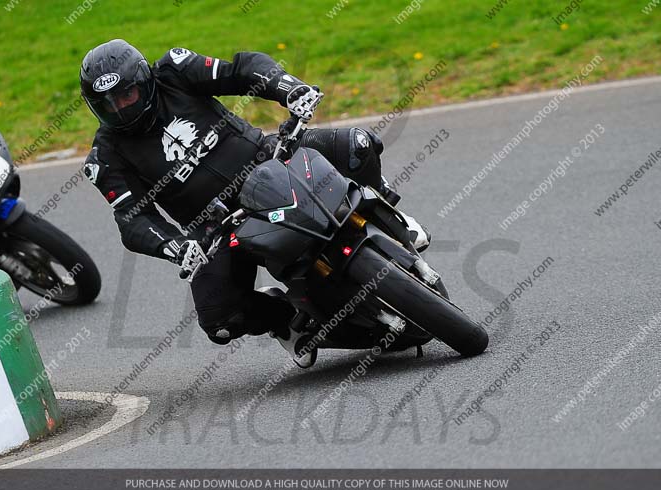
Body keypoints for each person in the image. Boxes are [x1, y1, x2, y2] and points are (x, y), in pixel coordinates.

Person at [79, 39, 430, 359]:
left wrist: (287, 88)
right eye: (108, 105)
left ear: (146, 81)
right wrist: (176, 246)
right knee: (220, 319)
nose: (121, 108)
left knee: (358, 145)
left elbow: (242, 70)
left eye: (128, 95)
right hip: (217, 223)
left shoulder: (175, 69)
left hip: (272, 159)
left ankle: (392, 217)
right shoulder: (105, 156)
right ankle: (287, 323)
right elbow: (131, 219)